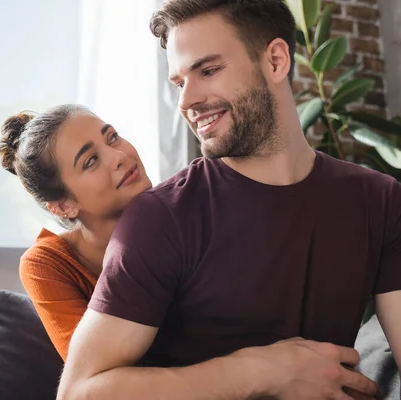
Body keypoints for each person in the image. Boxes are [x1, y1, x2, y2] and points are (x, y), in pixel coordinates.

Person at [57, 1, 401, 399]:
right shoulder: (161, 218)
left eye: (208, 71)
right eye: (179, 83)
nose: (187, 102)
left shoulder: (379, 200)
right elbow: (80, 392)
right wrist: (262, 372)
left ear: (275, 61)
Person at [0, 104, 152, 361]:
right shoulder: (47, 264)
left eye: (112, 137)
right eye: (91, 161)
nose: (119, 156)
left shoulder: (184, 207)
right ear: (63, 206)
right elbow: (90, 378)